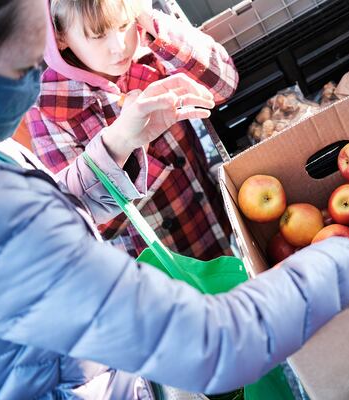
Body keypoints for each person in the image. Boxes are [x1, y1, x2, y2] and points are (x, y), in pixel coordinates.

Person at [0, 0, 349, 399]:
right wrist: (344, 263)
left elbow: (59, 211)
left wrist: (117, 146)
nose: (29, 89)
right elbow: (211, 342)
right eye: (25, 69)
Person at [27, 0, 239, 260]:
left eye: (124, 24)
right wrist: (130, 145)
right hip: (157, 257)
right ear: (59, 37)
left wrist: (154, 24)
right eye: (98, 35)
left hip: (207, 212)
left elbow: (225, 86)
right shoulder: (50, 109)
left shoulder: (150, 46)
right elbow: (93, 222)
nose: (119, 47)